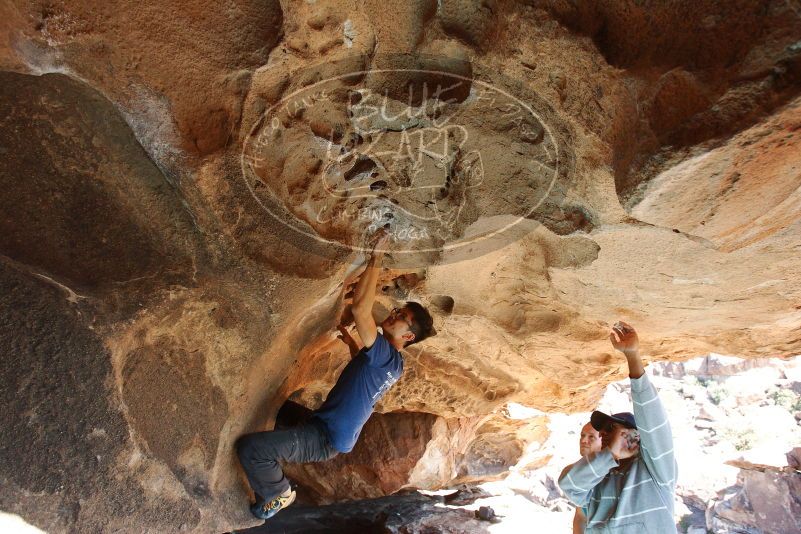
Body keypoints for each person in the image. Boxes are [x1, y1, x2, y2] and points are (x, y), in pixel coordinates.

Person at [235, 231, 435, 520]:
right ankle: (273, 488)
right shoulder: (394, 365)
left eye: (400, 316)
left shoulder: (383, 353)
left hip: (324, 437)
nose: (392, 314)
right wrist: (347, 337)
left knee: (253, 449)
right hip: (328, 432)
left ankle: (277, 494)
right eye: (397, 310)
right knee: (267, 444)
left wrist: (375, 257)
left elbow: (360, 309)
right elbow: (364, 367)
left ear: (408, 335)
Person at [559, 321, 678, 533]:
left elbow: (653, 421)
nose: (603, 433)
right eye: (603, 429)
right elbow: (569, 485)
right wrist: (610, 453)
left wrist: (633, 357)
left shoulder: (655, 472)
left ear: (635, 437)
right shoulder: (597, 475)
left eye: (612, 428)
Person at [560, 422, 602, 533]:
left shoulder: (611, 474)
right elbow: (581, 514)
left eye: (591, 437)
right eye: (582, 435)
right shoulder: (583, 474)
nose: (583, 441)